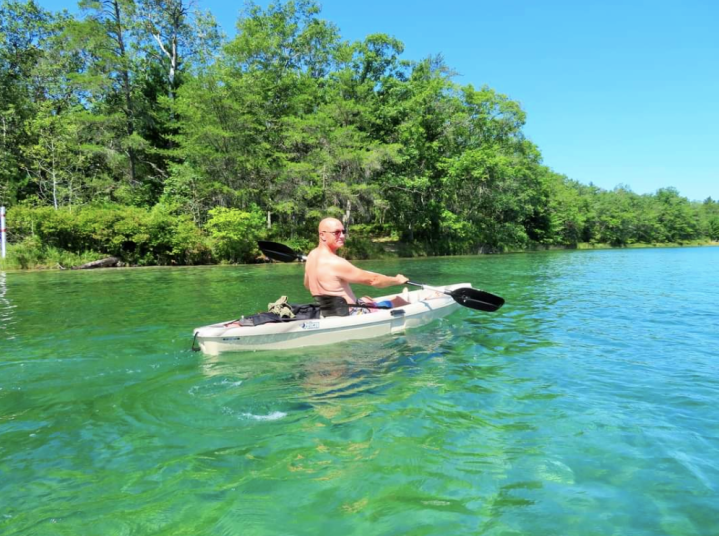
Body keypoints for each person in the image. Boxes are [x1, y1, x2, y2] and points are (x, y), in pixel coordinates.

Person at [304, 217, 410, 316]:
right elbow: (373, 280)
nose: (342, 236)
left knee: (367, 299)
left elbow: (307, 285)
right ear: (322, 235)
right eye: (336, 232)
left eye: (343, 231)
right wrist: (397, 280)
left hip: (327, 312)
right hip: (351, 313)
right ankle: (408, 301)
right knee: (398, 300)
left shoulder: (311, 256)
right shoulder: (336, 262)